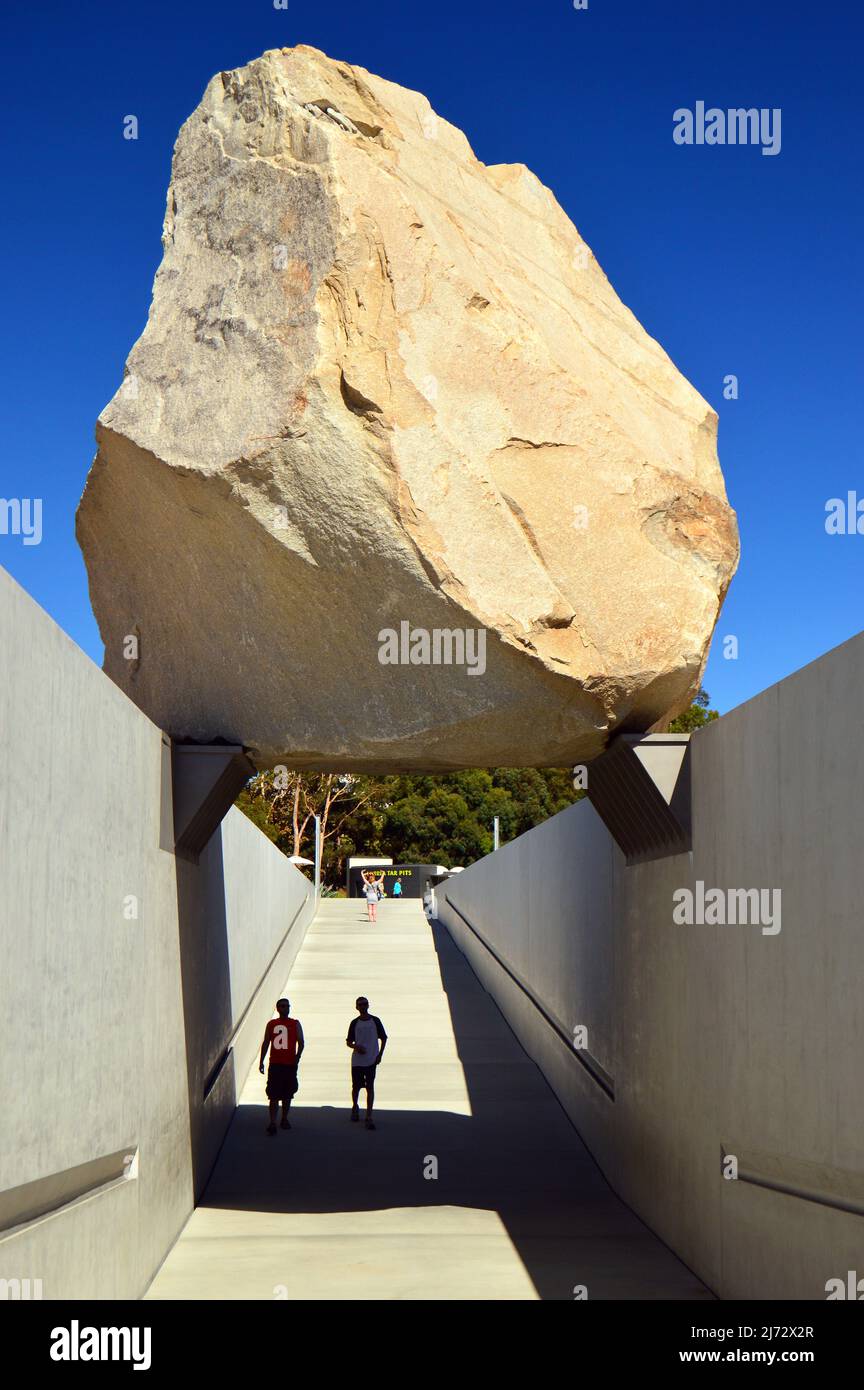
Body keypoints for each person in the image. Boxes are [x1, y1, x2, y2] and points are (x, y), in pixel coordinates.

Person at [259, 997, 304, 1136]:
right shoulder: (271, 1024)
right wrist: (261, 1061)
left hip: (289, 1065)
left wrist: (297, 1057)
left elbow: (301, 1042)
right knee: (273, 1095)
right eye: (282, 1006)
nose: (285, 1008)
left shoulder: (295, 1023)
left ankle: (284, 1119)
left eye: (287, 1006)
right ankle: (273, 1122)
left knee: (287, 1094)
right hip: (275, 1064)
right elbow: (266, 1042)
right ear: (278, 1009)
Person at [346, 996, 387, 1129]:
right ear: (356, 1007)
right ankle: (355, 1107)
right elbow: (348, 1042)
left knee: (370, 1088)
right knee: (356, 1087)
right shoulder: (354, 1023)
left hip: (371, 1061)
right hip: (357, 1061)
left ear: (368, 1005)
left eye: (365, 1004)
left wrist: (380, 1055)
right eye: (360, 1004)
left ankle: (369, 1116)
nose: (363, 1006)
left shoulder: (375, 1021)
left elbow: (384, 1038)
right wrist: (356, 1047)